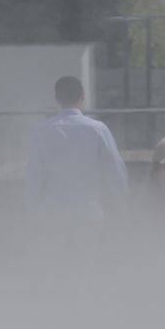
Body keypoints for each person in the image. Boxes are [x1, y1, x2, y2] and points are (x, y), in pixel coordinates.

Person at [25, 76, 128, 221]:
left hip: (53, 213)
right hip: (88, 212)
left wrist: (32, 210)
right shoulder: (98, 129)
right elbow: (116, 170)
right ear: (83, 96)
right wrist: (122, 206)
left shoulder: (41, 131)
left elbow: (33, 175)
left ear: (57, 99)